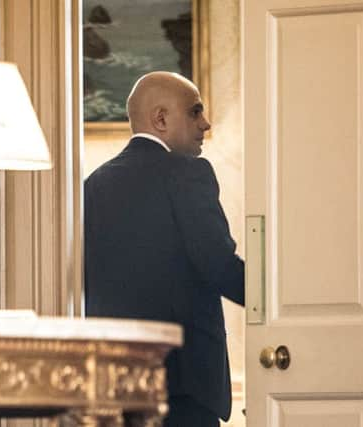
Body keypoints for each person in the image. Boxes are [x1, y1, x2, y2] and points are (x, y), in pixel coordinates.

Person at [84, 71, 245, 427]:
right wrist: (281, 304)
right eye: (195, 112)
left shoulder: (93, 184)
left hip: (116, 387)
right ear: (160, 118)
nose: (206, 123)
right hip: (185, 387)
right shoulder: (188, 173)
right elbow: (218, 264)